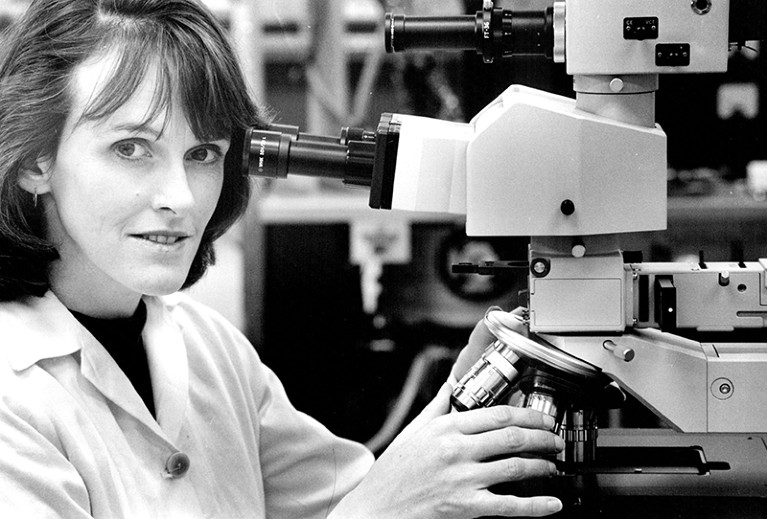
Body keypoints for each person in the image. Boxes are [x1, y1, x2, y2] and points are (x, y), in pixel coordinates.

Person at [0, 0, 564, 517]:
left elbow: (358, 498)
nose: (181, 196)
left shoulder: (209, 349)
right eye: (131, 149)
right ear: (35, 161)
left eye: (203, 154)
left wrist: (453, 424)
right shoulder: (11, 390)